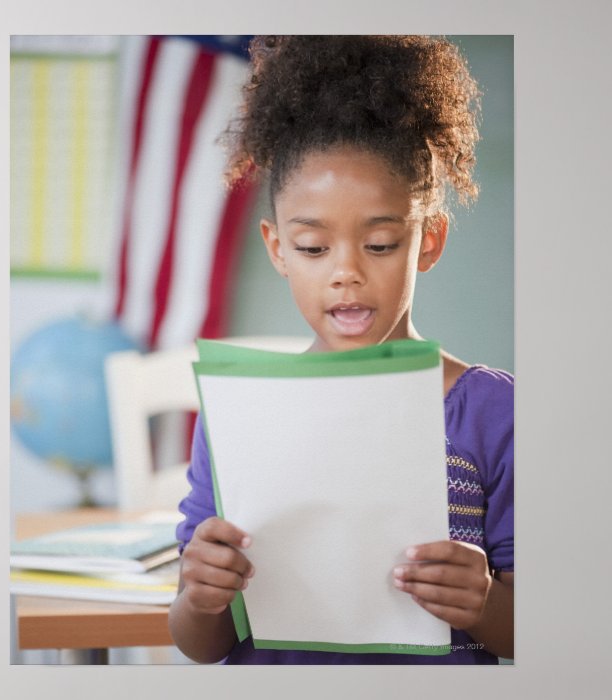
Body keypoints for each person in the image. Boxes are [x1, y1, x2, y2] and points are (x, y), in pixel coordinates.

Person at [168, 35, 513, 664]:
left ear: (427, 241)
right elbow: (200, 643)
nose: (345, 272)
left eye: (379, 244)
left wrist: (486, 602)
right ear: (277, 249)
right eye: (312, 248)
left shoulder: (490, 412)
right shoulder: (238, 412)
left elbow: (560, 629)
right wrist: (200, 596)